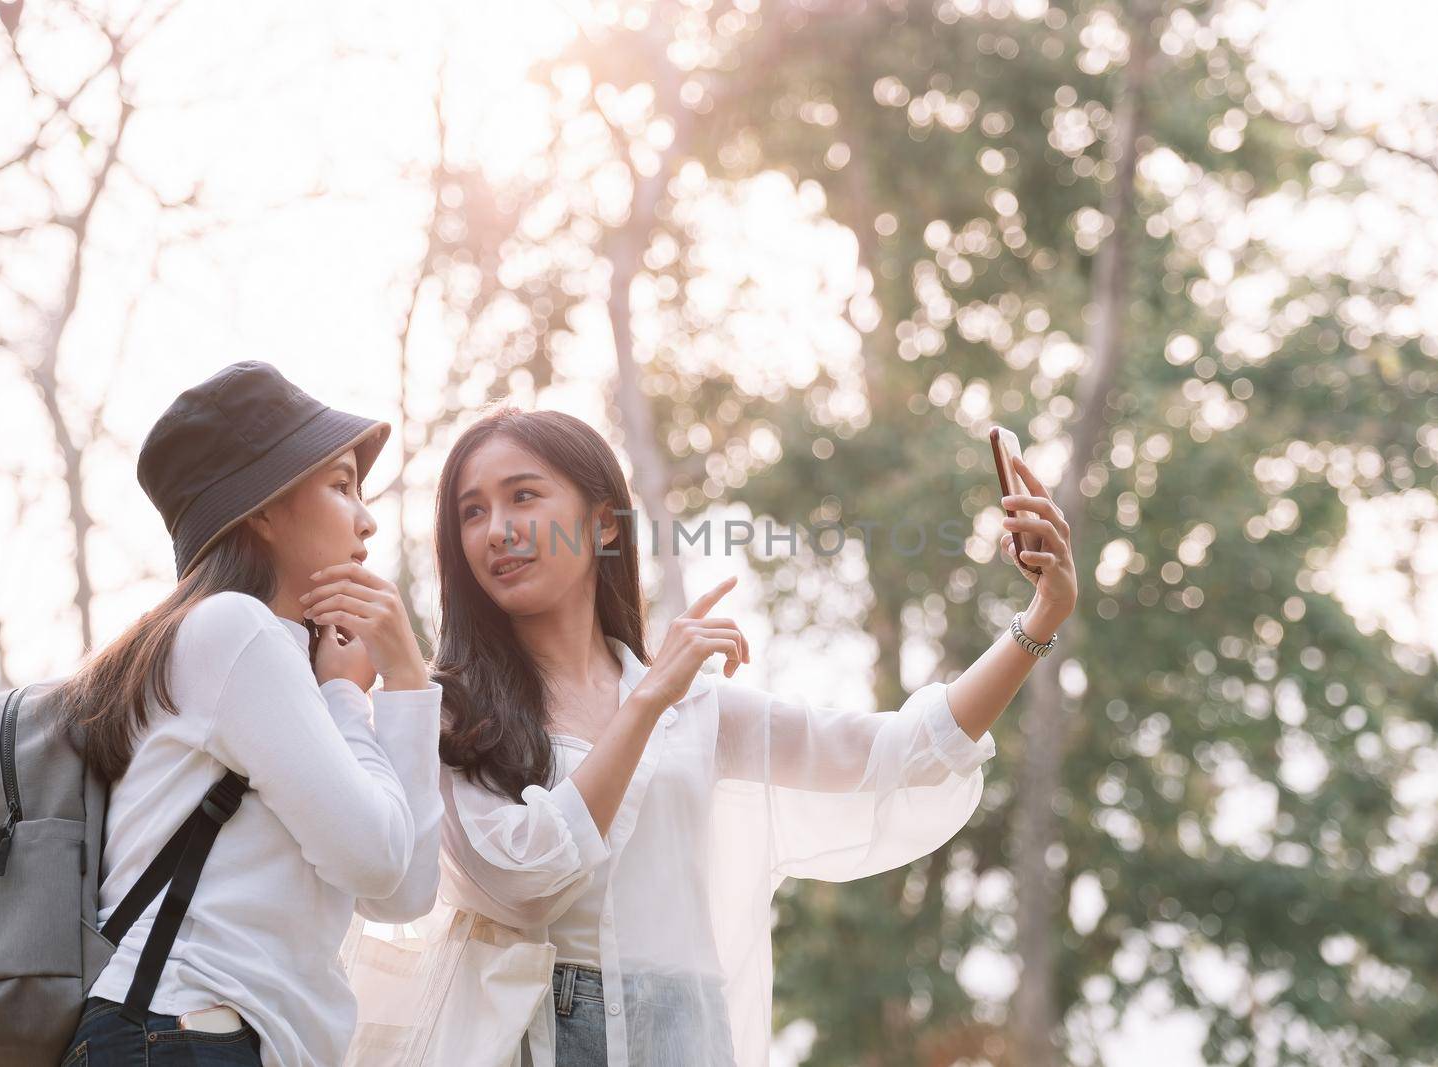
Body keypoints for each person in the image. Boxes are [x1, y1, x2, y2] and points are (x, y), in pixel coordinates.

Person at [425, 403, 1078, 1066]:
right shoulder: (454, 712)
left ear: (601, 523)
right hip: (532, 1039)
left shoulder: (698, 708)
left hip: (687, 1037)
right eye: (472, 511)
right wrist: (646, 703)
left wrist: (1042, 615)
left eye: (523, 496)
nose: (497, 530)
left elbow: (901, 751)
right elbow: (520, 879)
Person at [55, 361, 443, 1067]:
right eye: (341, 483)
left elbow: (404, 890)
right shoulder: (235, 632)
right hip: (183, 1030)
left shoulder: (272, 656)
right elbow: (378, 856)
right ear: (262, 509)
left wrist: (409, 683)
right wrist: (352, 696)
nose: (367, 516)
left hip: (205, 1036)